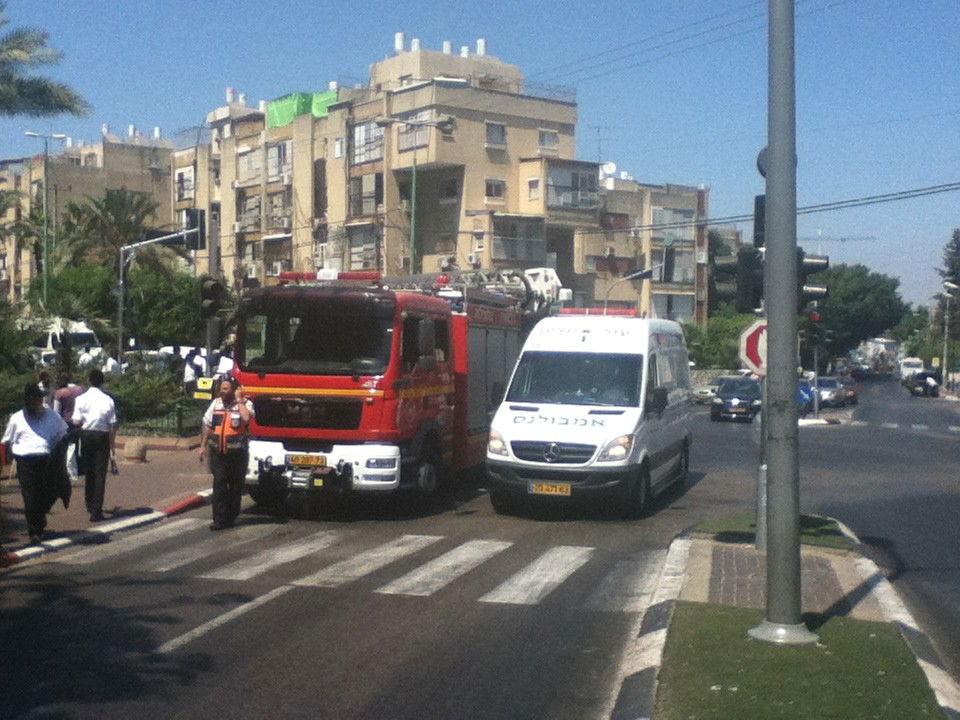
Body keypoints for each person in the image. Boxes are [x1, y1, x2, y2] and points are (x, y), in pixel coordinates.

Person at [2, 384, 69, 543]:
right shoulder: (17, 418)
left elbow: (63, 433)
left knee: (49, 493)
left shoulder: (52, 416)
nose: (36, 403)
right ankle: (35, 531)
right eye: (32, 400)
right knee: (31, 497)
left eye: (38, 399)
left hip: (47, 460)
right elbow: (6, 441)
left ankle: (39, 517)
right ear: (26, 401)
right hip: (26, 462)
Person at [199, 378, 254, 531]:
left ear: (233, 390)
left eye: (225, 389)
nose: (222, 392)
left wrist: (239, 400)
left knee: (235, 487)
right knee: (219, 484)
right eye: (221, 388)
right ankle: (219, 519)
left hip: (237, 454)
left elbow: (246, 418)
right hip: (218, 453)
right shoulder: (216, 404)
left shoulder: (245, 404)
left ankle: (231, 516)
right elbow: (209, 426)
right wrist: (203, 446)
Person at [72, 369, 118, 522]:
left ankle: (89, 503)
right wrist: (112, 446)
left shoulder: (81, 399)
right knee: (100, 474)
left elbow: (76, 421)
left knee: (89, 471)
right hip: (102, 436)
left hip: (86, 435)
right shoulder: (108, 400)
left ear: (89, 381)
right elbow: (112, 424)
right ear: (102, 382)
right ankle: (96, 510)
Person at [53, 373, 85, 485]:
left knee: (67, 447)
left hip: (65, 423)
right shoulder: (79, 390)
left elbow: (56, 412)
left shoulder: (59, 394)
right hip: (78, 422)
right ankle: (78, 468)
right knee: (75, 446)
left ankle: (69, 471)